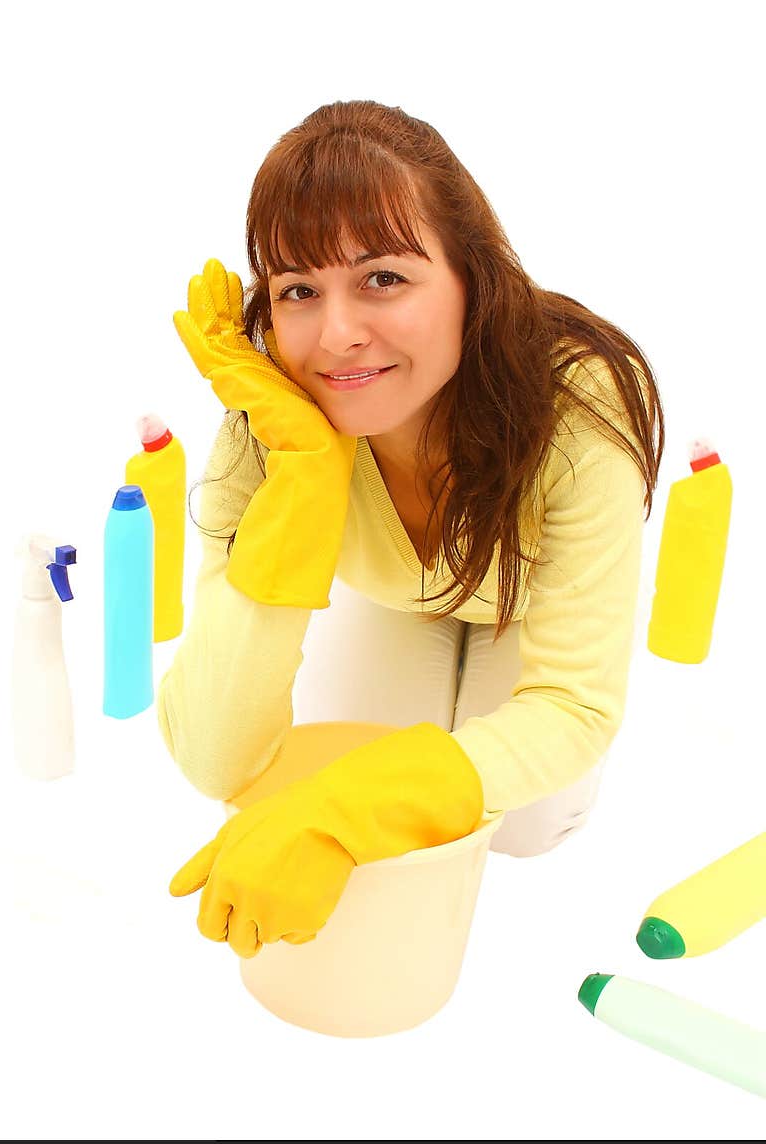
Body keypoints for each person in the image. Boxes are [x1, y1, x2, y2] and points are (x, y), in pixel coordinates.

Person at [158, 99, 664, 959]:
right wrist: (309, 475)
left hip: (523, 606)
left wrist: (357, 808)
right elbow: (217, 755)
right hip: (394, 602)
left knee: (523, 828)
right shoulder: (271, 422)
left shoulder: (580, 410)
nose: (338, 335)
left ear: (472, 276)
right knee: (323, 790)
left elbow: (574, 703)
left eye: (383, 277)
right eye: (298, 291)